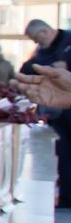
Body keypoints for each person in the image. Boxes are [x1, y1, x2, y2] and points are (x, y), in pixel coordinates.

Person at [21, 19, 71, 208]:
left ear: (45, 31)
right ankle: (66, 197)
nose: (36, 43)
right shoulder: (42, 52)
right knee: (64, 153)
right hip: (59, 112)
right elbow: (28, 68)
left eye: (36, 39)